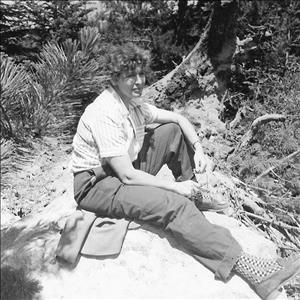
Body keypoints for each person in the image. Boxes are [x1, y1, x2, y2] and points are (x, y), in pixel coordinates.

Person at [69, 43, 299, 300]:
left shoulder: (133, 104)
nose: (138, 81)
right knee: (173, 204)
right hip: (98, 185)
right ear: (115, 78)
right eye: (130, 75)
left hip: (121, 168)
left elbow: (179, 120)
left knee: (171, 133)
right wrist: (176, 188)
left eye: (141, 74)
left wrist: (198, 149)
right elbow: (127, 176)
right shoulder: (106, 111)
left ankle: (196, 193)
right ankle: (253, 270)